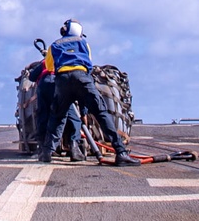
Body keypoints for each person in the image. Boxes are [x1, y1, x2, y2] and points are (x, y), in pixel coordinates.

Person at [37, 20, 140, 166]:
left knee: (57, 117)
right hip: (82, 78)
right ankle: (121, 153)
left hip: (62, 81)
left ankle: (46, 153)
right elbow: (88, 65)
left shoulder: (54, 45)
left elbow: (49, 67)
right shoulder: (84, 43)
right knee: (101, 114)